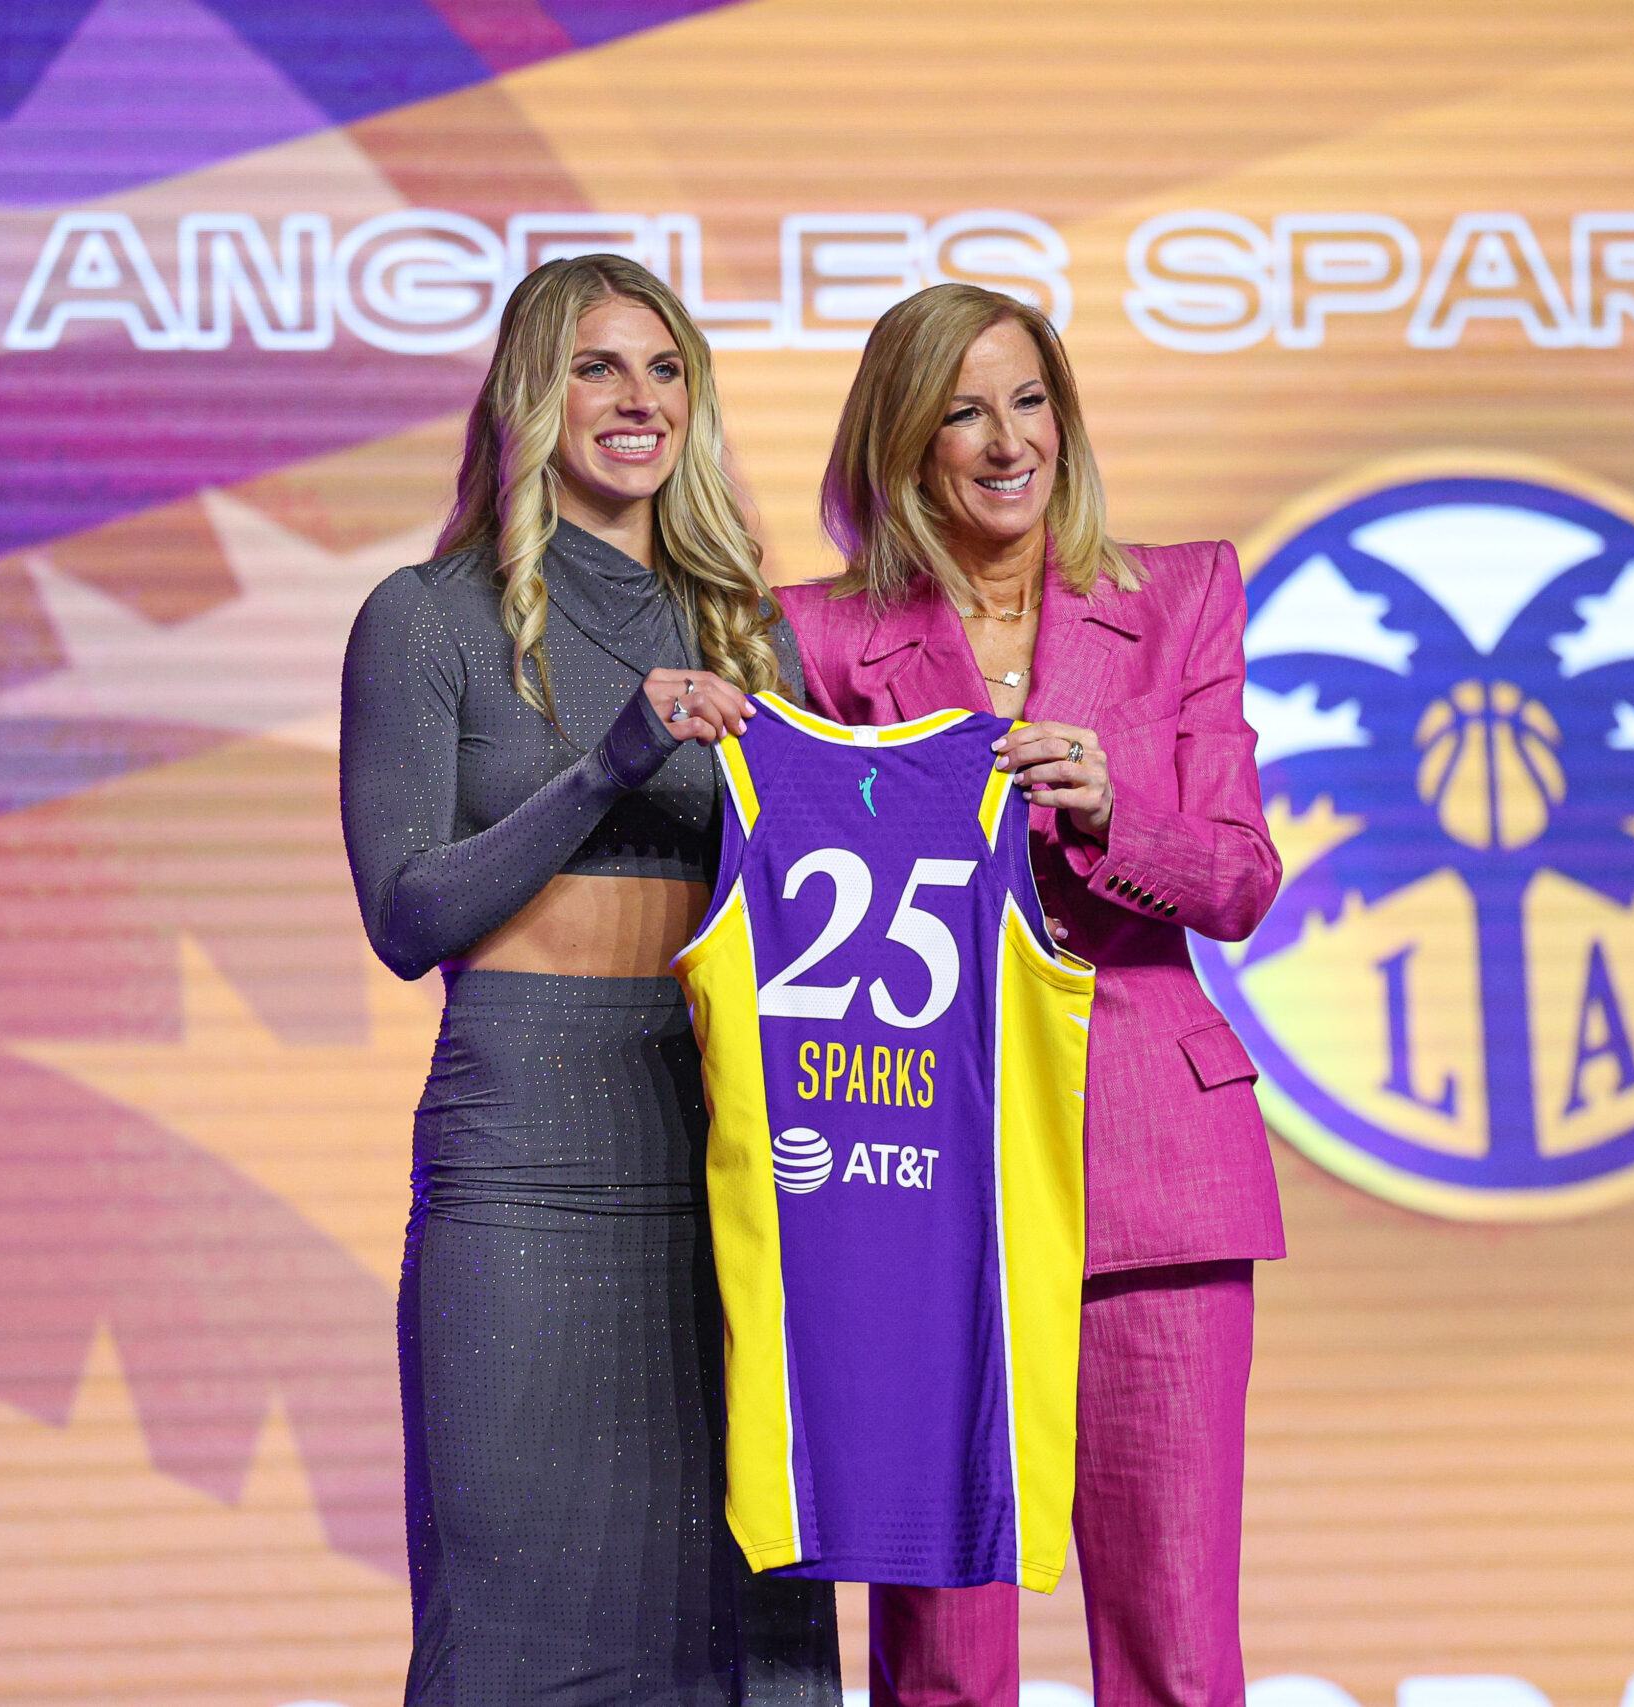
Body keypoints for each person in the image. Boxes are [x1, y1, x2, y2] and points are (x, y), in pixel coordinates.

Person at [339, 254, 841, 1706]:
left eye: (665, 369)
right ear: (526, 395)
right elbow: (406, 911)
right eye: (596, 367)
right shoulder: (426, 618)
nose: (637, 400)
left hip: (728, 1148)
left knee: (740, 1625)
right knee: (511, 1620)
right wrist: (616, 758)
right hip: (524, 1158)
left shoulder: (755, 629)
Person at [774, 283, 1283, 1707]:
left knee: (1175, 1651)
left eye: (1030, 399)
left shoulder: (1178, 597)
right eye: (961, 411)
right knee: (939, 1667)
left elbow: (1243, 881)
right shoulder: (813, 639)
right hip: (920, 1184)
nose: (1007, 442)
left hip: (1155, 1170)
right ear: (900, 445)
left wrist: (1122, 812)